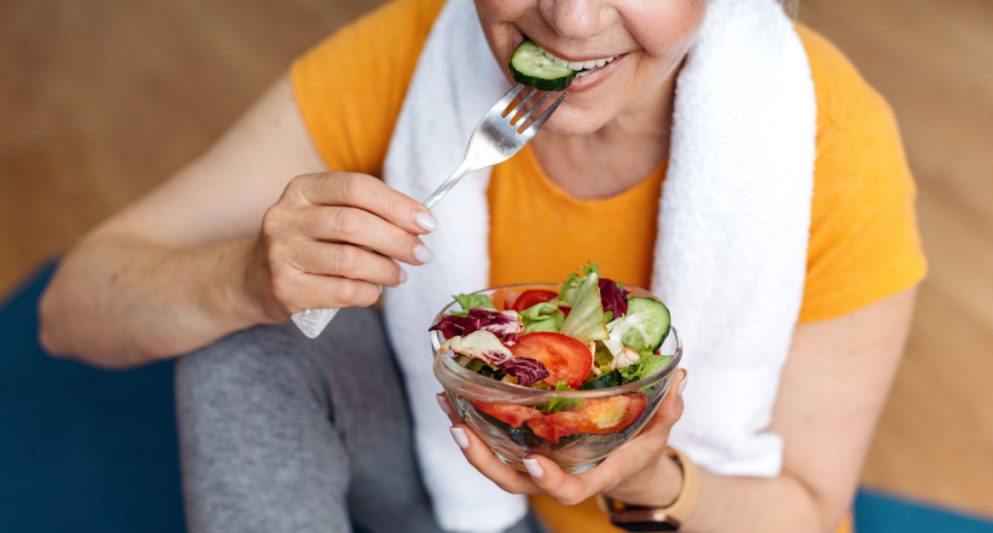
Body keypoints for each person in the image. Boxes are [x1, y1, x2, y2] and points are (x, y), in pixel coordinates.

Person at [38, 0, 926, 531]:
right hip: (439, 496)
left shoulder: (825, 140)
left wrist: (651, 478)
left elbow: (807, 513)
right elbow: (71, 306)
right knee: (244, 339)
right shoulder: (406, 55)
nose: (571, 21)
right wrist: (243, 280)